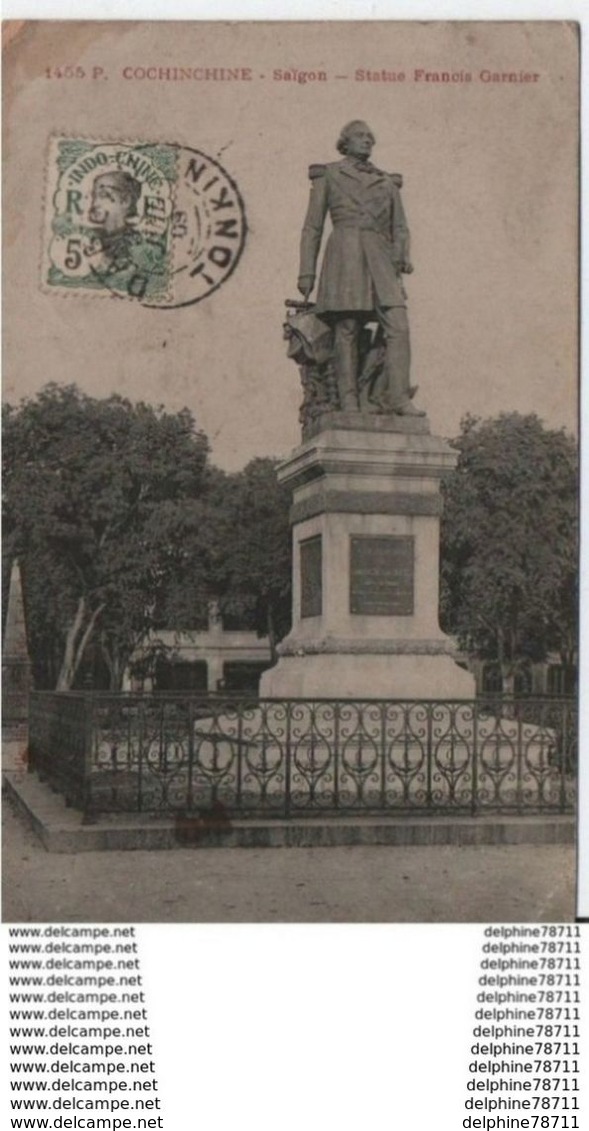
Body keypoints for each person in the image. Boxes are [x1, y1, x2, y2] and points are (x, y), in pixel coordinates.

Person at [298, 120, 424, 416]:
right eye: (360, 136)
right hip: (346, 252)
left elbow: (400, 226)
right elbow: (312, 227)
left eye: (370, 137)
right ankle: (350, 401)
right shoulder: (328, 174)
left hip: (380, 257)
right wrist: (306, 271)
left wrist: (402, 255)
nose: (367, 141)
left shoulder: (387, 182)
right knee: (347, 328)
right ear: (345, 142)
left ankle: (397, 397)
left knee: (398, 325)